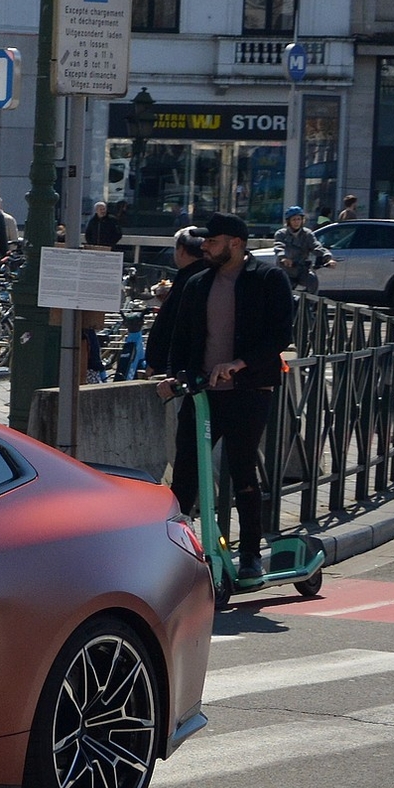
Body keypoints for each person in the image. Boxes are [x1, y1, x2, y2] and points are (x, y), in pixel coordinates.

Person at [154, 212, 293, 577]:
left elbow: (280, 336)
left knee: (243, 470)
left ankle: (250, 555)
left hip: (249, 390)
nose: (205, 247)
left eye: (213, 242)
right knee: (185, 472)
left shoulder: (268, 280)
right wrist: (174, 376)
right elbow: (180, 340)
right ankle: (173, 553)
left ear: (236, 243)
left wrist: (239, 363)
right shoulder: (198, 283)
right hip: (203, 393)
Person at [142, 228, 211, 374]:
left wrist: (156, 362)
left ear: (181, 250)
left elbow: (173, 324)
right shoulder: (205, 276)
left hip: (174, 367)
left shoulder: (191, 280)